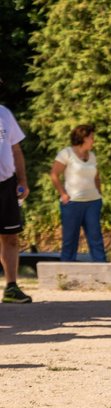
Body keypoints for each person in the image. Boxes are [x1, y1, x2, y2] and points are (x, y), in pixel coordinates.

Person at [50, 124, 107, 262]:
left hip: (93, 203)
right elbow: (54, 175)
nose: (93, 140)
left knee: (96, 239)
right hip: (72, 204)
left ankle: (104, 274)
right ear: (83, 138)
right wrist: (63, 194)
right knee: (70, 241)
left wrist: (99, 194)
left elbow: (96, 177)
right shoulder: (66, 153)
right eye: (91, 137)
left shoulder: (92, 156)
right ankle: (65, 276)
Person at [0, 98, 31, 303]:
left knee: (10, 236)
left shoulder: (4, 113)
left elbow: (16, 150)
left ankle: (11, 287)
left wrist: (22, 180)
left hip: (6, 184)